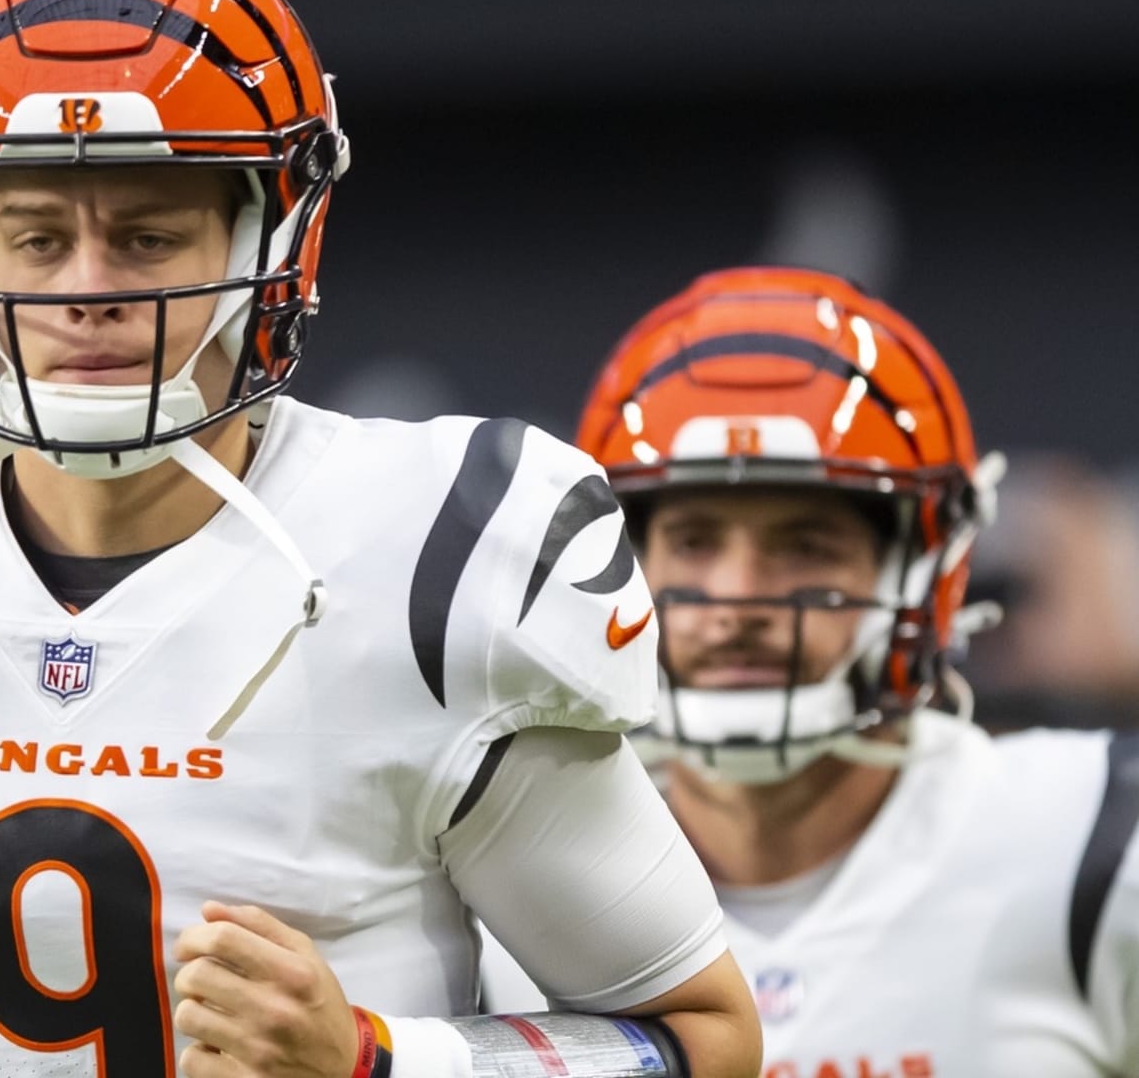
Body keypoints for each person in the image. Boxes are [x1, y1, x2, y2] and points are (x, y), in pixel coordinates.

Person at [0, 0, 762, 1078]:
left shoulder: (433, 558)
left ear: (275, 236)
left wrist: (379, 1063)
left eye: (146, 235)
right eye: (33, 236)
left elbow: (707, 1041)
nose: (85, 290)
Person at [487, 266, 1139, 1075]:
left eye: (805, 546)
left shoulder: (1092, 844)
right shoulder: (502, 891)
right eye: (695, 541)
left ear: (919, 569)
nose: (738, 597)